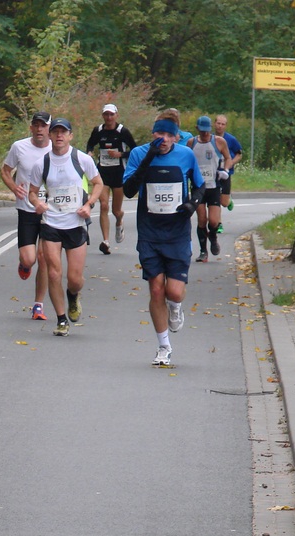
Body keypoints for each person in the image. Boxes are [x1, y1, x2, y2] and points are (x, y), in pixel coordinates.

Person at [122, 109, 205, 367]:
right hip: (150, 232)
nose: (164, 138)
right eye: (160, 132)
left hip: (177, 232)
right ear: (152, 133)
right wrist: (149, 156)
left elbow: (200, 186)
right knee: (156, 288)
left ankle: (176, 306)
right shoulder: (138, 154)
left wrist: (192, 204)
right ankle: (163, 346)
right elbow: (128, 190)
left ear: (177, 137)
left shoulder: (186, 155)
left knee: (174, 292)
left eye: (170, 134)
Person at [28, 118, 103, 337]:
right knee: (53, 273)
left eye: (64, 132)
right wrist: (37, 203)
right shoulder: (41, 163)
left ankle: (73, 295)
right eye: (56, 132)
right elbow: (32, 191)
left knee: (75, 278)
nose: (59, 135)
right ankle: (61, 319)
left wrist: (89, 205)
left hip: (76, 222)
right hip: (51, 222)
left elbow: (98, 183)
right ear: (50, 136)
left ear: (70, 136)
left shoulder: (81, 159)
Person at [1, 111, 53, 321]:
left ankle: (38, 305)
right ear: (31, 128)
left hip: (50, 212)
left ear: (50, 128)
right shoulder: (19, 147)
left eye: (43, 125)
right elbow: (5, 170)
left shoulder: (57, 149)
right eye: (36, 125)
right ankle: (24, 264)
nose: (40, 129)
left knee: (44, 258)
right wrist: (14, 188)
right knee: (30, 259)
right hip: (27, 209)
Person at [86, 104, 137, 255]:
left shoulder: (122, 131)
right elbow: (90, 143)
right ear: (103, 116)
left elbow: (135, 149)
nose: (108, 118)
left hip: (119, 173)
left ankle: (119, 221)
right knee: (103, 205)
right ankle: (106, 241)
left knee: (116, 210)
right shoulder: (98, 130)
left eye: (111, 115)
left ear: (116, 115)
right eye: (106, 115)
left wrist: (120, 155)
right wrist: (89, 152)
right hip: (103, 173)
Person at [186, 115, 232, 263]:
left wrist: (225, 170)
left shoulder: (219, 142)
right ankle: (203, 251)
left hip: (213, 186)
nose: (205, 134)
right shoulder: (191, 143)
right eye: (202, 131)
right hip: (198, 187)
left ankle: (213, 236)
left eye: (207, 131)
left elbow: (228, 158)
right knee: (201, 219)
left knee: (213, 221)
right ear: (197, 129)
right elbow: (185, 160)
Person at [213, 114, 243, 221]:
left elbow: (239, 154)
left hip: (226, 172)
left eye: (223, 124)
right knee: (214, 199)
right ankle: (218, 223)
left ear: (225, 126)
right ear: (214, 124)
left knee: (224, 202)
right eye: (218, 123)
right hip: (213, 173)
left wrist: (231, 163)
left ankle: (229, 201)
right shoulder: (210, 138)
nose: (220, 126)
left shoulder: (231, 139)